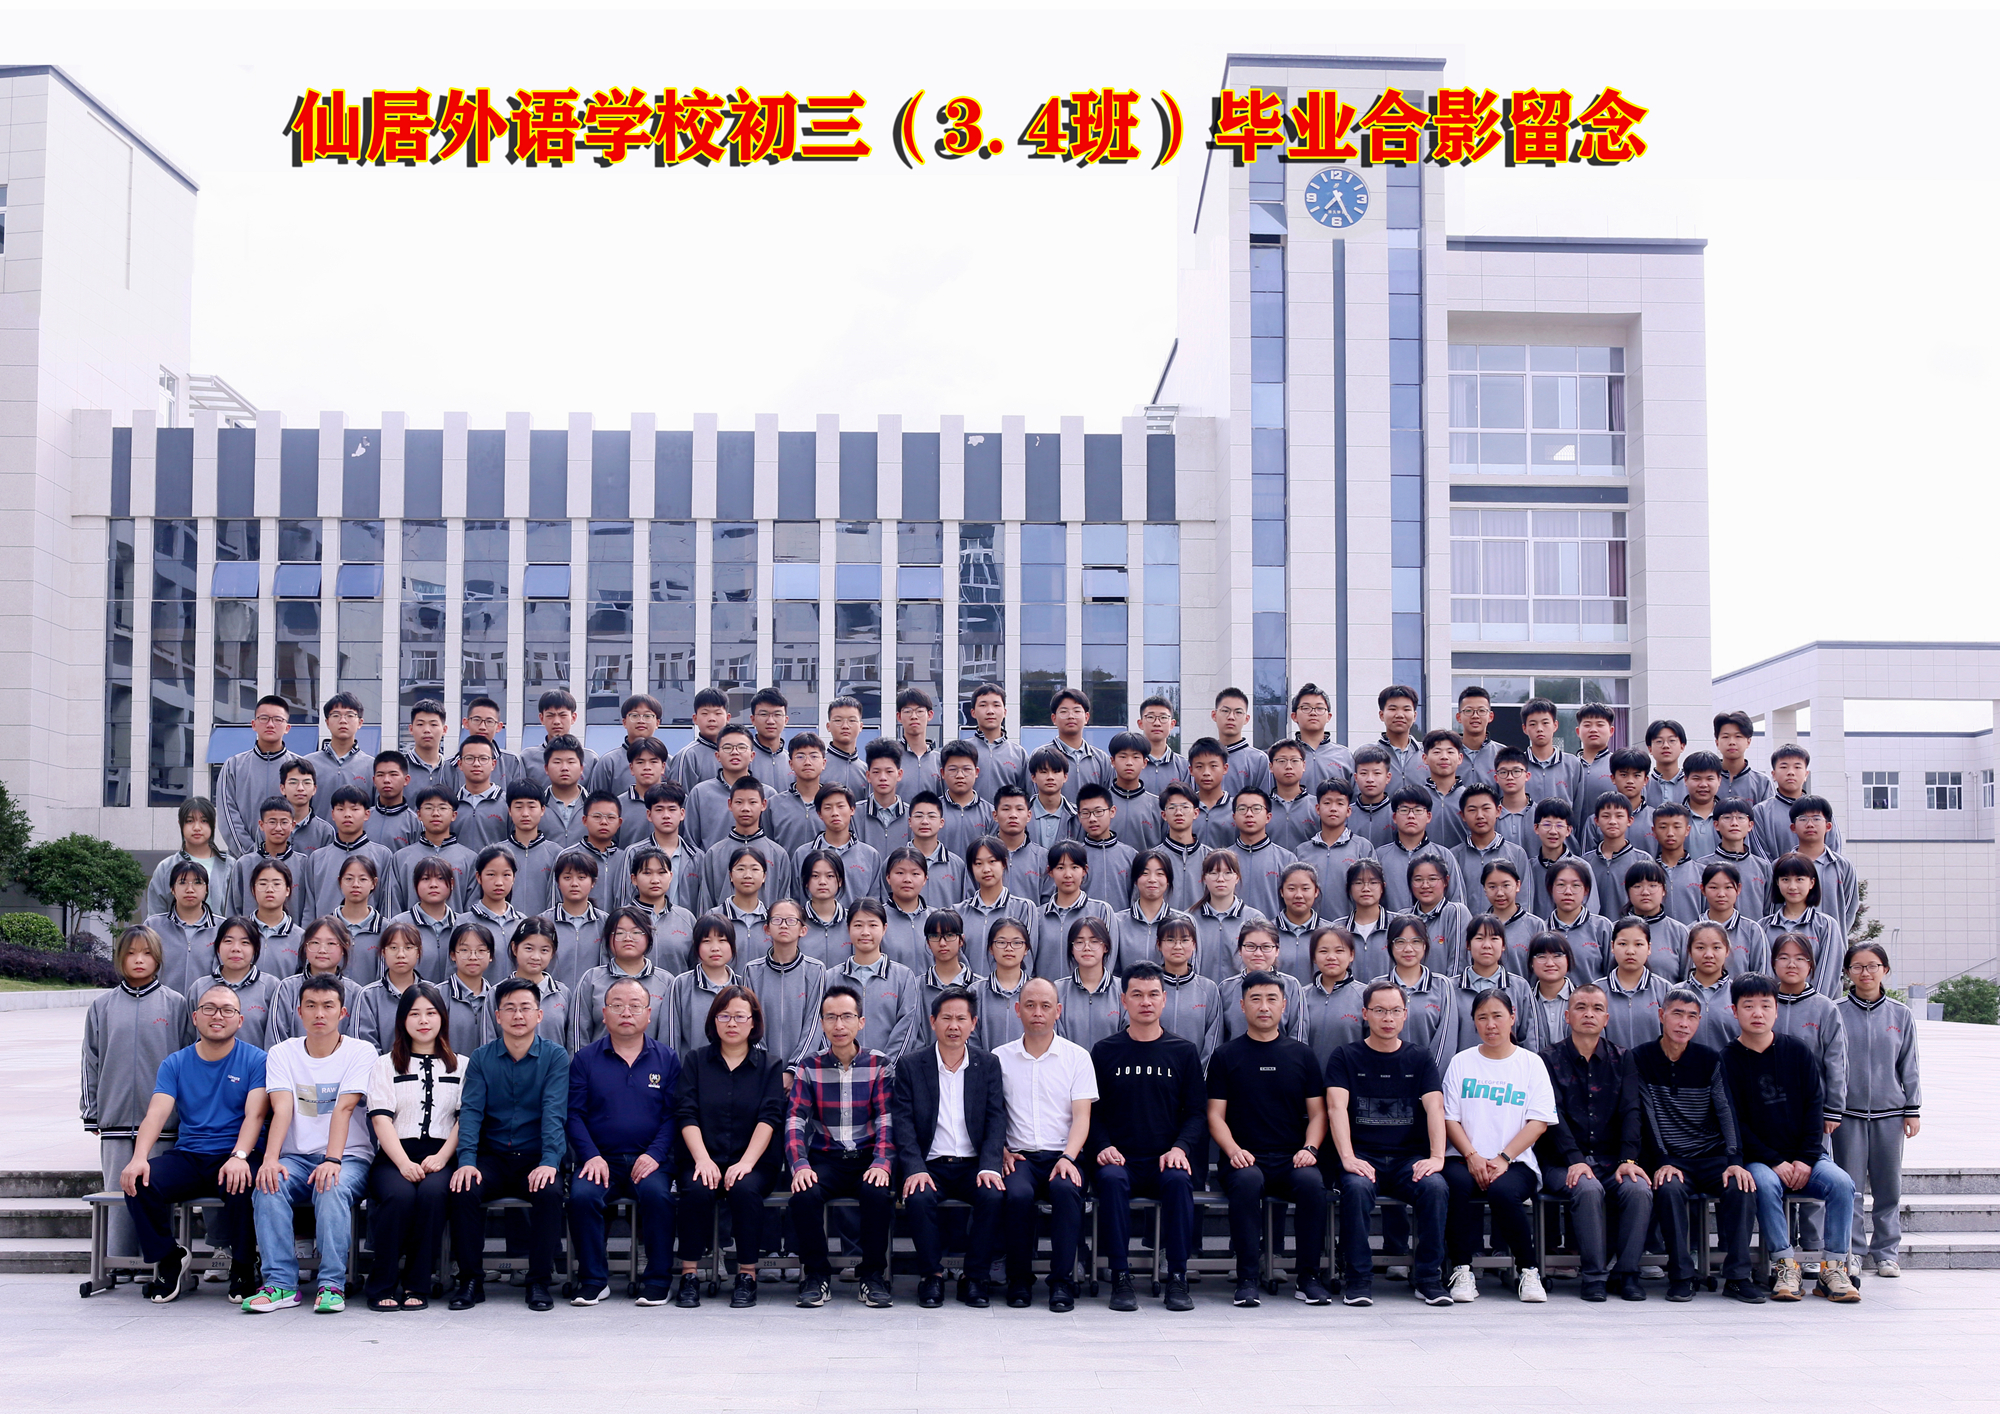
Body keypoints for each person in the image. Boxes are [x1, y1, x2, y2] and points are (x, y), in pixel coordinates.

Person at [118, 981, 267, 1304]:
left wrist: (240, 1155)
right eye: (209, 1009)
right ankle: (169, 1257)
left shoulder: (256, 1060)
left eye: (227, 1010)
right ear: (195, 1017)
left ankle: (244, 1264)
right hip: (190, 1154)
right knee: (139, 1182)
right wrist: (139, 1157)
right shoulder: (175, 1062)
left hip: (236, 1152)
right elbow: (156, 1114)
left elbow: (255, 1115)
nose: (218, 1016)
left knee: (243, 1183)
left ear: (240, 1020)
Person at [1724, 971, 1860, 1302]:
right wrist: (1775, 1161)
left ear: (1776, 1010)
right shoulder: (1727, 1059)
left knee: (1841, 1184)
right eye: (1748, 1006)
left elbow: (1814, 1107)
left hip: (1806, 1156)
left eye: (1765, 1005)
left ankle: (1833, 1268)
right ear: (1734, 1011)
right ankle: (1784, 1265)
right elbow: (1734, 1122)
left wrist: (1805, 1158)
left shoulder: (1797, 1051)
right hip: (1760, 1160)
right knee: (1763, 1184)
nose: (1758, 1013)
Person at [247, 974, 375, 1313]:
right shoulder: (282, 1053)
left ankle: (332, 1284)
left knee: (330, 1187)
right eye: (311, 1006)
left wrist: (332, 1161)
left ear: (342, 1012)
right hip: (297, 1157)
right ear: (299, 1011)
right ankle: (280, 1284)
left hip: (348, 1156)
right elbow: (283, 1107)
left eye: (328, 1006)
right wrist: (270, 1159)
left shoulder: (361, 1051)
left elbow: (344, 1107)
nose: (319, 1013)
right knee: (268, 1185)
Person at [1207, 970, 1332, 1306]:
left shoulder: (1302, 1055)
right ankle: (1247, 1278)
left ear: (1284, 1005)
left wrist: (1310, 1148)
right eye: (1256, 999)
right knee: (1247, 1182)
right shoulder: (1226, 1056)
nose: (1264, 1007)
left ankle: (1308, 1277)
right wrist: (1233, 1150)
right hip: (1244, 1157)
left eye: (1271, 999)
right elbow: (1214, 1115)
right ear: (1242, 1006)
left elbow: (1319, 1114)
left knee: (1312, 1184)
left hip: (1292, 1156)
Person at [1631, 986, 1763, 1303]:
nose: (1684, 1023)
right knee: (1668, 1189)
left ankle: (1737, 1276)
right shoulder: (1641, 1058)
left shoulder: (1709, 1059)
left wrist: (1734, 1160)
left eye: (1692, 1016)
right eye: (1677, 1014)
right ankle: (1681, 1275)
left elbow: (1726, 1111)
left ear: (1699, 1021)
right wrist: (1662, 1160)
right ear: (1661, 1015)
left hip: (1712, 1156)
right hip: (1671, 1159)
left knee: (1741, 1186)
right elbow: (1647, 1114)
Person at [1324, 980, 1452, 1306]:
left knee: (1435, 1187)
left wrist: (1437, 1157)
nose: (1388, 1018)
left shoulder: (1420, 1057)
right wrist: (1348, 1157)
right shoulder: (1345, 1056)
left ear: (1405, 1014)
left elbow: (1435, 1107)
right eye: (1379, 1010)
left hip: (1408, 1159)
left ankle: (1428, 1279)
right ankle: (1358, 1280)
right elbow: (1336, 1107)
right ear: (1365, 1014)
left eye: (1395, 1011)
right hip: (1362, 1155)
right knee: (1355, 1188)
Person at [449, 976, 572, 1312]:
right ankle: (470, 1279)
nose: (518, 1015)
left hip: (534, 1155)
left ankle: (539, 1281)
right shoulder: (481, 1058)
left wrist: (549, 1162)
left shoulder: (555, 1057)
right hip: (492, 1156)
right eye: (510, 1009)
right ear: (498, 1016)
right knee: (463, 1188)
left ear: (539, 1015)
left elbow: (554, 1113)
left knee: (549, 1192)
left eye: (526, 1008)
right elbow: (471, 1112)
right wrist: (466, 1161)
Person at [1091, 961, 1205, 1312]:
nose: (1146, 1002)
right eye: (1137, 994)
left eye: (1153, 994)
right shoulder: (1105, 1051)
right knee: (1110, 1180)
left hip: (1164, 1157)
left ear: (1164, 999)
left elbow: (1197, 1113)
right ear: (1123, 1000)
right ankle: (1120, 1276)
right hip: (1120, 1158)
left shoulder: (1183, 1051)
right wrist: (1104, 1146)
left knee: (1179, 1181)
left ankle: (1178, 1276)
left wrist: (1180, 1148)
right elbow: (1091, 1112)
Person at [566, 975, 683, 1306]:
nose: (626, 1012)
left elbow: (673, 1115)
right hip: (600, 1160)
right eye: (617, 1006)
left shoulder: (667, 1058)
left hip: (650, 1160)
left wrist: (655, 1154)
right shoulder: (585, 1059)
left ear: (649, 1013)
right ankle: (593, 1280)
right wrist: (590, 1155)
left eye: (635, 1006)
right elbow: (573, 1115)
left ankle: (657, 1280)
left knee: (658, 1197)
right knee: (582, 1197)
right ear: (604, 1014)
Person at [893, 986, 1008, 1309]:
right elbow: (903, 1124)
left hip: (973, 1164)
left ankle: (975, 1277)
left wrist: (990, 1165)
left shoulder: (988, 1065)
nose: (953, 1026)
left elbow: (996, 1119)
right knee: (918, 1197)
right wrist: (914, 1168)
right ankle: (931, 1275)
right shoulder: (911, 1065)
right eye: (946, 1018)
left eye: (961, 1019)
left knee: (993, 1195)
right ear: (933, 1022)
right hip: (930, 1164)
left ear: (973, 1023)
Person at [83, 927, 194, 1262]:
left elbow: (189, 1060)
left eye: (146, 953)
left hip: (163, 1123)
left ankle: (161, 1264)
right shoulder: (102, 1006)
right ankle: (118, 1264)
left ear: (157, 958)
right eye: (131, 953)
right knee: (118, 1195)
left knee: (155, 1194)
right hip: (115, 1120)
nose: (139, 960)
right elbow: (91, 1059)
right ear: (120, 958)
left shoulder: (175, 1004)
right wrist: (92, 1111)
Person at [1536, 983, 1653, 1301]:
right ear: (1567, 1016)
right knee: (1586, 1188)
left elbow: (1632, 1111)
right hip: (1561, 1162)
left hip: (1611, 1160)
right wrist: (1574, 1159)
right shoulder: (1547, 1059)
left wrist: (1628, 1160)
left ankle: (1626, 1274)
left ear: (1606, 1019)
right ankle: (1593, 1277)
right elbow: (1552, 1114)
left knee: (1639, 1189)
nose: (1589, 1014)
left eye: (1597, 1008)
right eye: (1581, 1007)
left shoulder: (1623, 1058)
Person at [673, 985, 787, 1308]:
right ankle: (689, 1274)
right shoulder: (695, 1061)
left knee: (744, 1190)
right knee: (696, 1189)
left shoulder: (770, 1065)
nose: (732, 1023)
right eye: (724, 1016)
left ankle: (747, 1275)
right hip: (702, 1157)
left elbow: (769, 1118)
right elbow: (686, 1113)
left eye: (740, 1016)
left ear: (754, 1022)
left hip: (753, 1161)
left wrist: (746, 1163)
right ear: (714, 1021)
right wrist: (702, 1159)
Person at [1440, 989, 1556, 1303]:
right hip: (1463, 1157)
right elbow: (1449, 1118)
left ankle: (1529, 1270)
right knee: (1455, 1186)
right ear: (1474, 1022)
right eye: (1482, 1018)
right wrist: (1472, 1155)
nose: (1490, 1024)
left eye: (1497, 1016)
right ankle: (1462, 1269)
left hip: (1516, 1161)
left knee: (1503, 1192)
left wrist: (1504, 1157)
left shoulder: (1530, 1063)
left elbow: (1539, 1122)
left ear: (1512, 1017)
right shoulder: (1462, 1062)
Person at [786, 982, 897, 1308]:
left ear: (861, 1022)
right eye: (831, 1017)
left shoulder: (879, 1064)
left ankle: (872, 1276)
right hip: (827, 1157)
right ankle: (816, 1276)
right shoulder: (809, 1067)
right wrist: (799, 1165)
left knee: (878, 1193)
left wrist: (882, 1162)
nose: (839, 1025)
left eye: (847, 1016)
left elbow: (887, 1120)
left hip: (867, 1157)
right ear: (822, 1023)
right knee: (804, 1194)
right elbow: (795, 1121)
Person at [993, 977, 1097, 1311]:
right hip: (1018, 1157)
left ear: (1058, 1011)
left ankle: (1062, 1282)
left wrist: (1069, 1157)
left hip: (1063, 1155)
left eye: (1045, 1006)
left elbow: (1082, 1117)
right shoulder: (999, 1058)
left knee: (1066, 1192)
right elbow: (991, 1114)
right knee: (1017, 1195)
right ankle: (1019, 1280)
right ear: (1017, 1010)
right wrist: (1001, 1150)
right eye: (1030, 1005)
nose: (1037, 1012)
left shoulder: (1077, 1057)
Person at [363, 981, 463, 1311]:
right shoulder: (385, 1064)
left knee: (433, 1195)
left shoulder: (462, 1064)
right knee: (399, 1196)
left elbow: (465, 1119)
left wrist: (443, 1157)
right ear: (402, 1020)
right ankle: (381, 1283)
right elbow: (380, 1120)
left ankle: (417, 1283)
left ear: (442, 1018)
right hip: (395, 1156)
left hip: (441, 1155)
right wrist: (404, 1163)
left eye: (431, 1013)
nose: (423, 1021)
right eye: (414, 1014)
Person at [1833, 942, 1921, 1279]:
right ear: (1847, 972)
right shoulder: (1836, 1011)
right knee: (1851, 1187)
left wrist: (1912, 1109)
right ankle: (1853, 1251)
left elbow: (1909, 1065)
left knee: (1888, 1188)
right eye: (1857, 966)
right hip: (1848, 1115)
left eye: (1872, 966)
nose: (1865, 973)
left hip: (1890, 1115)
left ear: (1885, 970)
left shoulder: (1900, 1014)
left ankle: (1887, 1252)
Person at [571, 906, 675, 1049]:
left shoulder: (666, 981)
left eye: (636, 932)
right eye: (619, 933)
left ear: (648, 937)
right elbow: (578, 1033)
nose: (628, 938)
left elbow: (669, 1035)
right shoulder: (591, 979)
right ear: (608, 938)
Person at [743, 899, 830, 1070]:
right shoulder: (752, 971)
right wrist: (768, 1067)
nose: (783, 925)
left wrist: (794, 1068)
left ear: (803, 930)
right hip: (762, 1071)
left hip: (804, 1071)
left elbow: (814, 1024)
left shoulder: (816, 970)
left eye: (791, 920)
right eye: (777, 920)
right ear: (767, 929)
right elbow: (750, 1022)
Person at [217, 695, 301, 855]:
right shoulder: (233, 766)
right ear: (254, 724)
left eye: (278, 719)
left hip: (289, 862)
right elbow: (227, 816)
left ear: (287, 727)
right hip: (243, 860)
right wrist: (251, 855)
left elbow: (306, 815)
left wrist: (287, 856)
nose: (270, 724)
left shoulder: (300, 767)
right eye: (264, 718)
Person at [267, 915, 365, 1044]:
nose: (322, 950)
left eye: (331, 943)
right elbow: (276, 1038)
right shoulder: (287, 988)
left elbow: (356, 1042)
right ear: (305, 946)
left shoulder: (356, 993)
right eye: (315, 943)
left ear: (344, 947)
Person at [1761, 853, 1846, 998]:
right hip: (1773, 1007)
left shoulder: (1826, 925)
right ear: (1777, 882)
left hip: (1815, 1007)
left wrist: (1813, 1004)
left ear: (1812, 883)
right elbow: (1761, 971)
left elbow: (1829, 973)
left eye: (1799, 879)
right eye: (1785, 879)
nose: (1792, 886)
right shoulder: (1763, 926)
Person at [659, 912, 744, 1053]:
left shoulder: (743, 985)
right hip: (692, 1066)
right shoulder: (681, 985)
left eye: (722, 940)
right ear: (696, 945)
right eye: (707, 941)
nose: (715, 948)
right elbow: (670, 1037)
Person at [142, 796, 234, 925]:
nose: (197, 827)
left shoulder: (231, 866)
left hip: (224, 936)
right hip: (175, 936)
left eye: (204, 821)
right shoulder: (166, 867)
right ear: (180, 824)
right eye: (190, 821)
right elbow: (155, 917)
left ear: (213, 823)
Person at [146, 857, 222, 999]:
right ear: (172, 889)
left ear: (206, 888)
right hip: (163, 1004)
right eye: (182, 882)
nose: (190, 889)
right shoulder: (154, 926)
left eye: (197, 883)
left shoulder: (222, 928)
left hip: (207, 1006)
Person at [205, 916, 282, 1048]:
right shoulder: (200, 988)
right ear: (218, 947)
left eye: (245, 942)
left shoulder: (271, 987)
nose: (236, 948)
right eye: (228, 941)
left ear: (255, 948)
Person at [1193, 848, 1265, 981]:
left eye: (1228, 873)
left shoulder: (1254, 919)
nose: (1220, 879)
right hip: (1202, 991)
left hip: (1242, 990)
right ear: (1204, 878)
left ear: (1237, 877)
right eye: (1213, 873)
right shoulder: (1190, 919)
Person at [1302, 926, 1368, 1070]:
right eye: (1323, 951)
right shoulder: (1302, 996)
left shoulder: (1365, 996)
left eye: (1339, 951)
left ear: (1351, 955)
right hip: (1308, 1079)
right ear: (1314, 957)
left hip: (1350, 1078)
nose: (1331, 957)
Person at [1053, 916, 1124, 1050]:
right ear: (1071, 949)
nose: (1087, 947)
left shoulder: (1122, 989)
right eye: (1079, 942)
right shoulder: (1058, 990)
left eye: (1094, 941)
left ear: (1105, 947)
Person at [352, 920, 424, 1052]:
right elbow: (364, 1046)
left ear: (418, 952)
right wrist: (387, 1064)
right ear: (383, 952)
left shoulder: (432, 992)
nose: (400, 954)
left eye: (408, 948)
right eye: (393, 948)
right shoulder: (368, 995)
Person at [1602, 918, 1671, 1051]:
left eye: (1638, 944)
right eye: (1623, 944)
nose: (1630, 951)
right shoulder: (1598, 990)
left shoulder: (1664, 989)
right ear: (1612, 946)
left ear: (1649, 948)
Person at [975, 917, 1033, 1052]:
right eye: (1001, 942)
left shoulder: (1037, 992)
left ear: (1026, 949)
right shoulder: (976, 991)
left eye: (1017, 942)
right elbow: (971, 1038)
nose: (1009, 948)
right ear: (991, 948)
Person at [1518, 932, 1576, 1055]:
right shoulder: (1525, 1002)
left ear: (1568, 960)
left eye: (1557, 956)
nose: (1550, 963)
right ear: (1531, 962)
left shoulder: (1582, 1000)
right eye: (1541, 956)